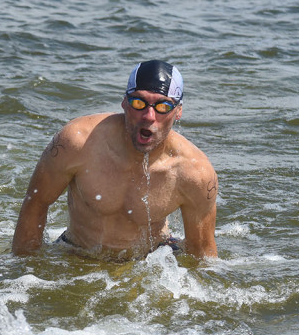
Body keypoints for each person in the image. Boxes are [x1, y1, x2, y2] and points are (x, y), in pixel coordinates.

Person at [12, 60, 217, 261]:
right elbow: (36, 204)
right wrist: (22, 271)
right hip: (77, 251)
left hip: (153, 260)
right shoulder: (77, 143)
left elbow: (203, 256)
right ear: (124, 103)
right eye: (138, 103)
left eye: (163, 106)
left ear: (178, 111)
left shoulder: (194, 172)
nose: (148, 116)